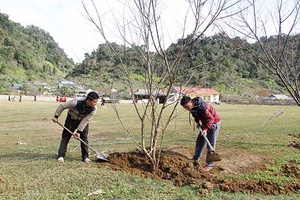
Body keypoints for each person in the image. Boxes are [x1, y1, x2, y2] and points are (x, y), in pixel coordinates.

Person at [52, 91, 99, 163]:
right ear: (88, 100)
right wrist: (56, 116)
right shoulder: (75, 102)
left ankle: (85, 157)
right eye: (94, 102)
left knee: (84, 138)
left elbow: (85, 120)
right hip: (71, 119)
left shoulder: (93, 109)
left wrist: (79, 132)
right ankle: (61, 156)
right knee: (65, 137)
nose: (95, 104)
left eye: (96, 102)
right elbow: (62, 106)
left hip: (82, 121)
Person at [180, 95, 221, 172]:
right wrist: (197, 122)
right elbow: (196, 115)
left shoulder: (201, 107)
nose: (187, 108)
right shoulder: (192, 107)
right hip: (205, 122)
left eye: (187, 106)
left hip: (214, 123)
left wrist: (205, 129)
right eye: (185, 107)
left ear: (190, 102)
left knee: (210, 144)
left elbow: (211, 118)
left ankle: (210, 165)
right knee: (200, 141)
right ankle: (195, 159)